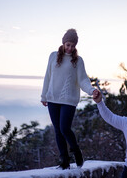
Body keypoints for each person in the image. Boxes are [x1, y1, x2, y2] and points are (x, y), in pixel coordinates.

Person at [41, 28, 97, 169]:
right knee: (58, 131)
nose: (70, 48)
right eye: (68, 45)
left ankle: (76, 150)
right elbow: (47, 77)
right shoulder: (53, 56)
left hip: (69, 100)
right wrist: (44, 95)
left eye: (73, 45)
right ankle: (64, 161)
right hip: (53, 99)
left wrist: (91, 90)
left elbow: (83, 80)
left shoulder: (77, 61)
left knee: (65, 128)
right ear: (63, 43)